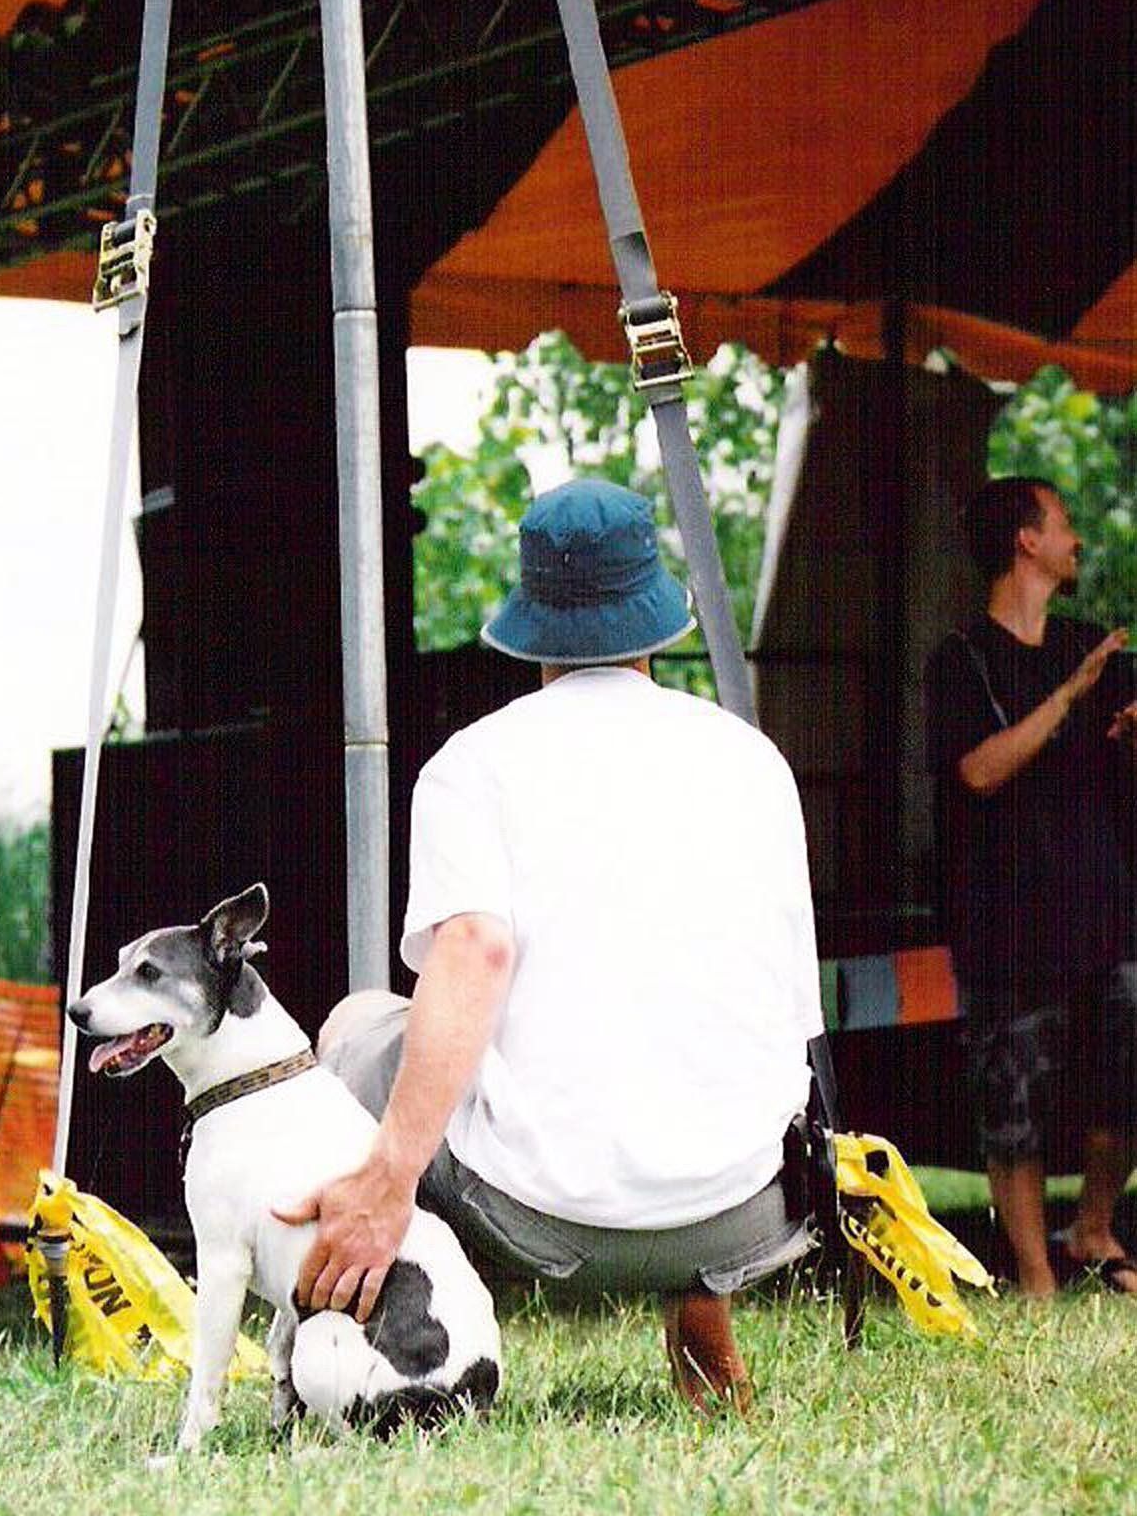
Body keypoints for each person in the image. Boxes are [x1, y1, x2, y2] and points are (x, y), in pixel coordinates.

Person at [275, 477, 826, 1410]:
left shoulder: (472, 766)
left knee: (357, 1025)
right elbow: (788, 1000)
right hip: (746, 1209)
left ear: (532, 621)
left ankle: (379, 1354)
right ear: (655, 618)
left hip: (546, 1218)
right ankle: (703, 1331)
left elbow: (475, 952)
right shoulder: (752, 760)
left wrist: (388, 1180)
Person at [925, 475, 1137, 1298]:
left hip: (1103, 905)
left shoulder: (1092, 648)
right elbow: (980, 770)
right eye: (1064, 523)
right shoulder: (962, 659)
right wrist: (1069, 696)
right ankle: (1037, 1276)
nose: (1076, 539)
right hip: (1004, 915)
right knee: (1011, 1102)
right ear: (1027, 541)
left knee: (1126, 1078)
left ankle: (1092, 1230)